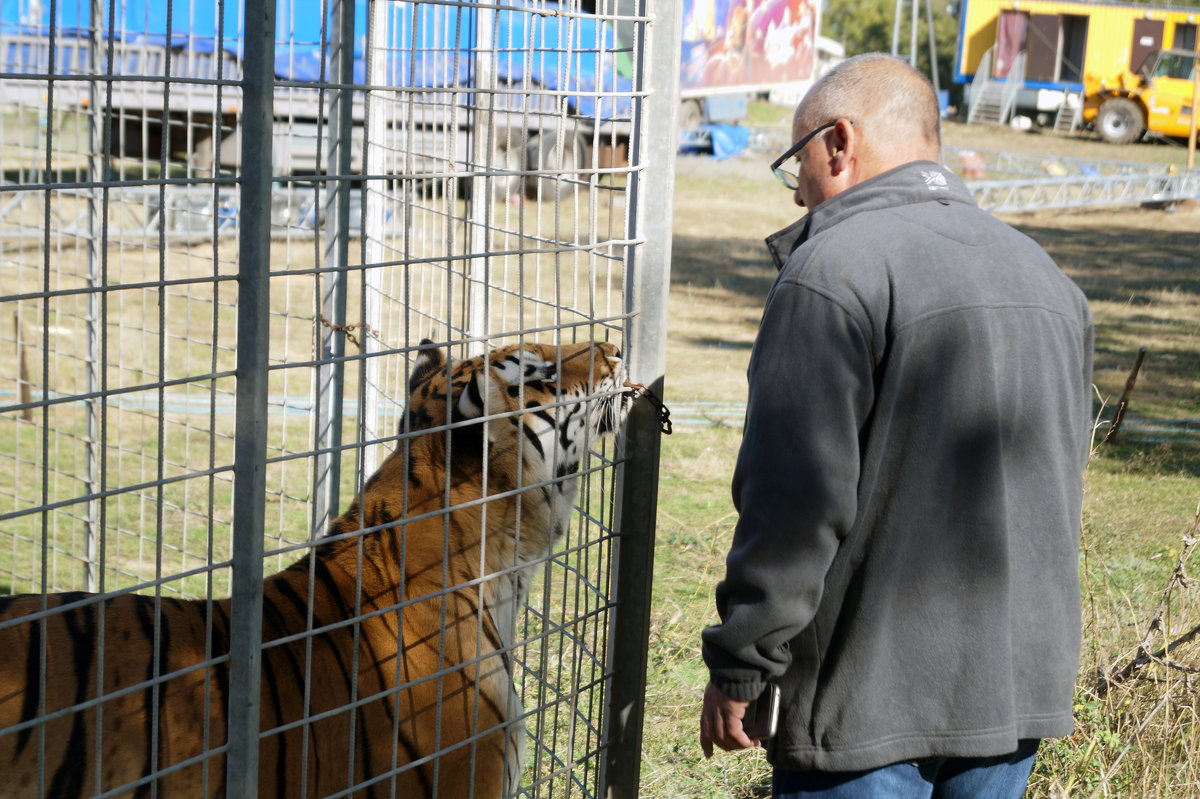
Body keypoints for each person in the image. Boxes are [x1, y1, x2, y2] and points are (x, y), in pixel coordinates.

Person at [698, 53, 1094, 798]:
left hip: (863, 712)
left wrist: (743, 661)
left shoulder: (832, 272)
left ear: (839, 143)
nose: (799, 192)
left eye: (797, 164)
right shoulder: (1050, 279)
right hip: (1014, 696)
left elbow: (794, 501)